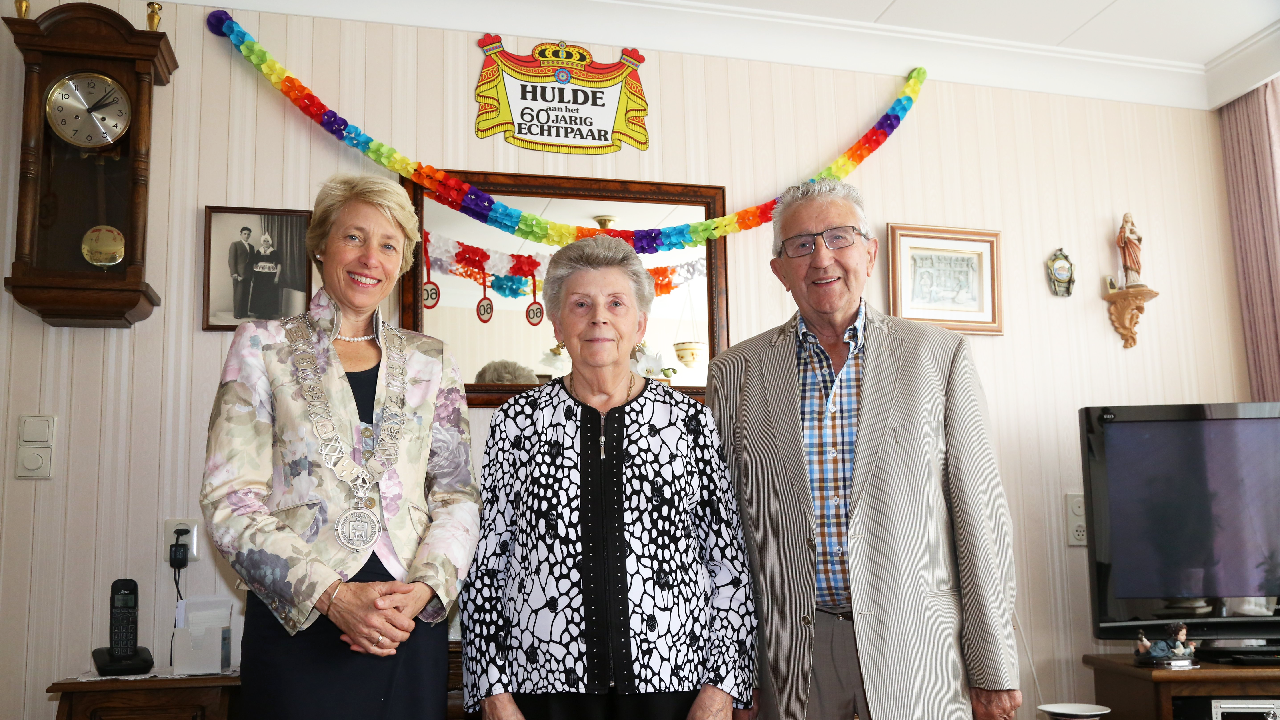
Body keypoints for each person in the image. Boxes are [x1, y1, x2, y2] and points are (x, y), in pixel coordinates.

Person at [706, 179, 1020, 720]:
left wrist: (993, 666)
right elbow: (722, 535)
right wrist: (729, 673)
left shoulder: (938, 356)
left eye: (839, 237)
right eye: (801, 244)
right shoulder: (735, 372)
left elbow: (982, 520)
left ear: (870, 253)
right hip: (789, 655)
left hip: (917, 649)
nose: (821, 257)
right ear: (779, 270)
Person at [201, 174, 480, 720]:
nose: (370, 257)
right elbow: (230, 500)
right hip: (300, 619)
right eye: (354, 237)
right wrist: (331, 596)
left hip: (405, 622)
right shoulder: (263, 344)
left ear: (402, 264)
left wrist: (426, 589)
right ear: (322, 245)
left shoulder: (432, 360)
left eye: (389, 245)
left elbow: (456, 495)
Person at [461, 235, 755, 720]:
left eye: (616, 303)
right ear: (558, 324)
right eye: (581, 304)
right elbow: (486, 562)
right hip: (542, 682)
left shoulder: (688, 422)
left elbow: (728, 561)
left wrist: (723, 688)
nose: (599, 318)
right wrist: (493, 691)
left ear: (639, 324)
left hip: (674, 681)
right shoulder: (518, 421)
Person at [248, 232, 282, 319]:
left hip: (270, 276)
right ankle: (260, 313)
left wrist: (277, 277)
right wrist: (253, 276)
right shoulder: (258, 252)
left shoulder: (274, 252)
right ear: (262, 242)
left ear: (270, 242)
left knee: (269, 294)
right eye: (264, 241)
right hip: (259, 276)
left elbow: (279, 264)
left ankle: (268, 313)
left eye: (267, 241)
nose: (266, 243)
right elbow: (254, 264)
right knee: (259, 293)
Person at [228, 226, 255, 318]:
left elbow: (252, 262)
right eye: (245, 234)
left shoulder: (251, 247)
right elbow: (231, 260)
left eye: (248, 234)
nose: (246, 236)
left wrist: (252, 275)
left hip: (248, 274)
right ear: (241, 234)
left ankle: (244, 313)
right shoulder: (235, 244)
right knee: (238, 294)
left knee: (246, 294)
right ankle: (237, 314)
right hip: (238, 274)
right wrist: (234, 273)